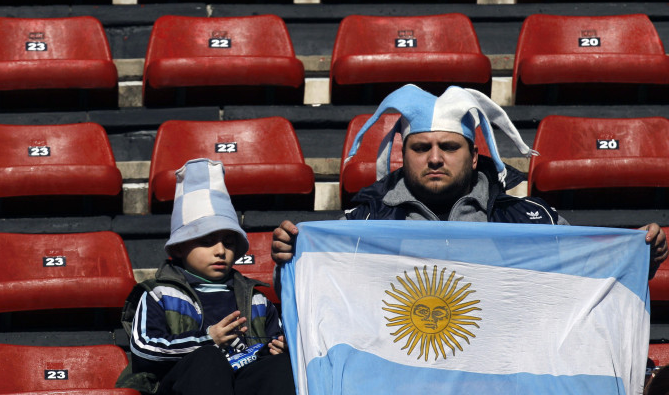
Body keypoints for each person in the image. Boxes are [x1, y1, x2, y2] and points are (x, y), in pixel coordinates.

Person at [272, 85, 667, 278]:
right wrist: (288, 257)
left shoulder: (531, 219)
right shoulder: (359, 225)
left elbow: (588, 277)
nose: (435, 158)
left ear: (475, 155)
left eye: (449, 146)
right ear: (403, 155)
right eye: (421, 147)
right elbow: (315, 289)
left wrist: (638, 255)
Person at [116, 158, 295, 395]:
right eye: (207, 241)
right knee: (208, 359)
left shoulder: (258, 301)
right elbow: (144, 349)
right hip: (181, 386)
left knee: (282, 366)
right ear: (179, 248)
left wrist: (281, 348)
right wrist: (207, 340)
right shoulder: (159, 295)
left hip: (241, 383)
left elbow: (275, 343)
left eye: (229, 243)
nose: (220, 251)